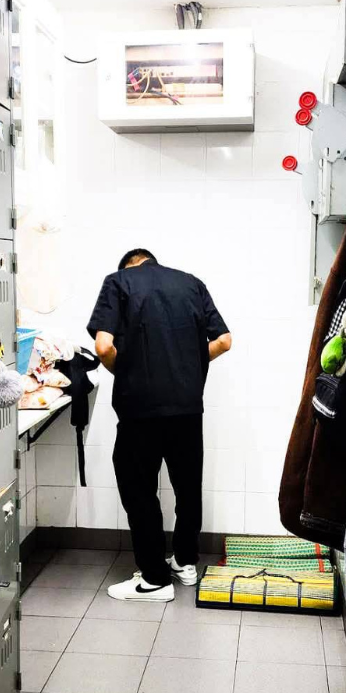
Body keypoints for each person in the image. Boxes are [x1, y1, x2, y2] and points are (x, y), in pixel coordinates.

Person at [87, 249, 232, 602]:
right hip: (187, 409)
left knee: (139, 492)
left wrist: (128, 370)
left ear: (128, 267)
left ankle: (154, 579)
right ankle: (185, 562)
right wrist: (189, 363)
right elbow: (224, 341)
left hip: (140, 410)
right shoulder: (192, 284)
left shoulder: (118, 282)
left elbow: (103, 346)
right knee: (187, 488)